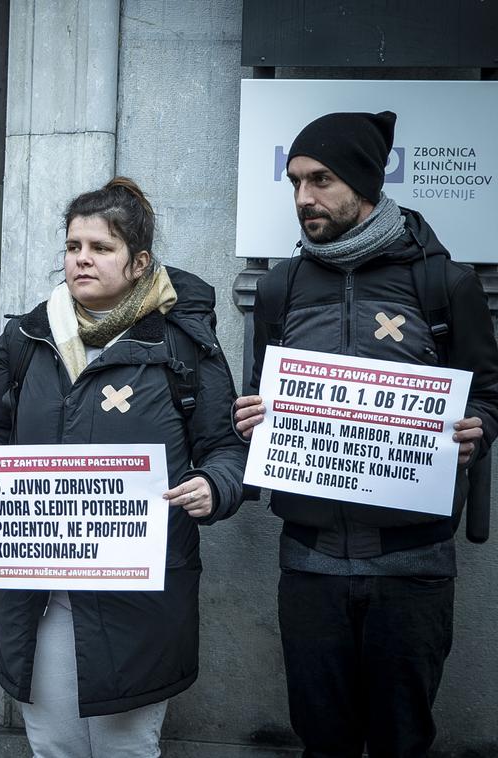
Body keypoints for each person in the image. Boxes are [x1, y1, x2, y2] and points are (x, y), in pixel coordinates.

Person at [234, 111, 498, 757]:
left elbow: (489, 393)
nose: (304, 198)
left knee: (402, 741)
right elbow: (259, 395)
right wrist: (250, 421)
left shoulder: (444, 283)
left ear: (363, 181)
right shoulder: (280, 286)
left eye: (320, 180)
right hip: (310, 565)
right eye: (294, 181)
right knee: (322, 742)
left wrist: (478, 429)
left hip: (413, 569)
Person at [0, 178, 247, 757]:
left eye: (101, 248)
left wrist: (215, 487)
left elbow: (226, 447)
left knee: (128, 749)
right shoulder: (27, 337)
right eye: (72, 246)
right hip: (41, 590)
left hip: (139, 592)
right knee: (53, 747)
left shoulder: (185, 344)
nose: (82, 259)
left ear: (138, 263)